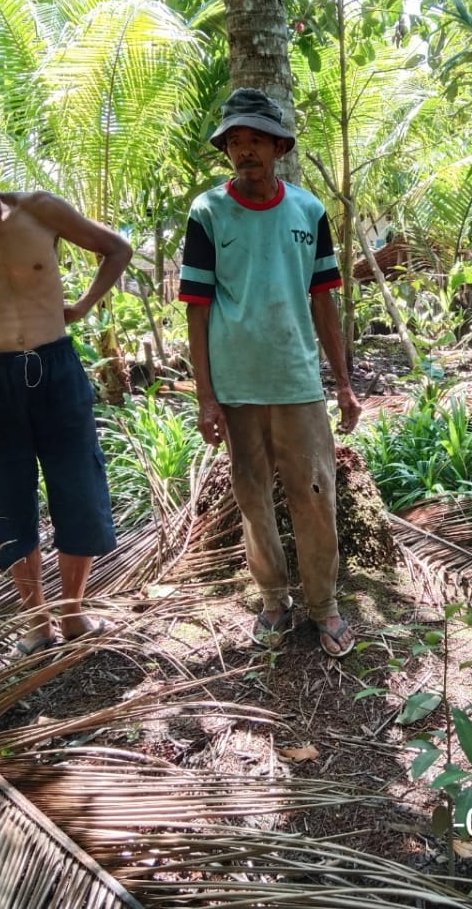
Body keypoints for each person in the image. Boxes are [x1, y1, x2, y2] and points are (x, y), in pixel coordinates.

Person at [0, 120, 132, 656]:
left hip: (56, 369)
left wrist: (81, 306)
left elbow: (117, 249)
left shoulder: (40, 211)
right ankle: (37, 618)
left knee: (77, 487)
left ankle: (73, 611)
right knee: (4, 498)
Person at [179, 88, 361, 658]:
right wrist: (206, 397)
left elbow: (323, 299)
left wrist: (344, 383)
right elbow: (196, 307)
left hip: (297, 379)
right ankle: (274, 600)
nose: (244, 151)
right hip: (237, 384)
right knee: (252, 495)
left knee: (315, 493)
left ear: (279, 147)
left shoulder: (309, 211)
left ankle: (324, 604)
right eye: (235, 141)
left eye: (256, 139)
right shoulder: (208, 212)